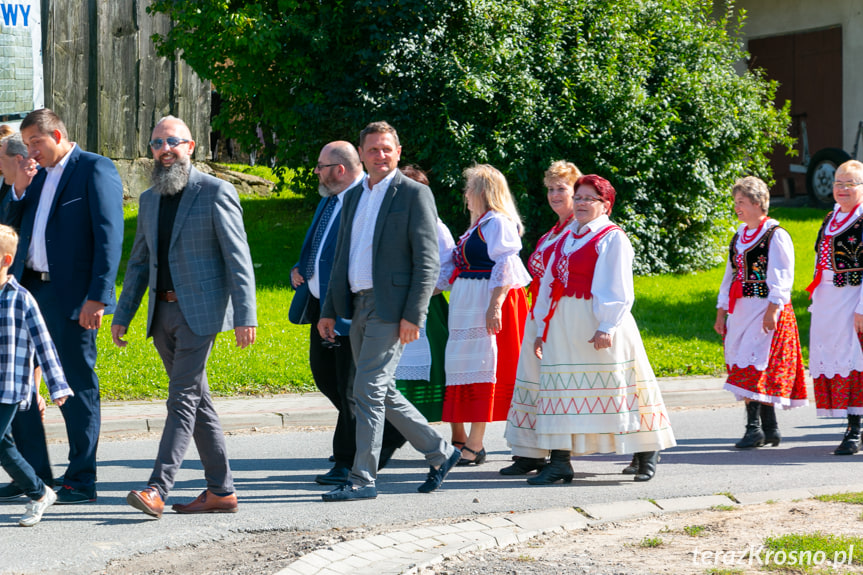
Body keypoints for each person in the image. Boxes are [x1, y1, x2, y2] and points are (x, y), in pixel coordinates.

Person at [112, 116, 257, 518]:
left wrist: (247, 314)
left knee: (181, 400)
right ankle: (221, 491)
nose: (164, 149)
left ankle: (158, 489)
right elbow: (139, 262)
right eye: (157, 142)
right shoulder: (149, 199)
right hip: (162, 315)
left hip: (201, 314)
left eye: (173, 141)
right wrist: (123, 314)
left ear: (191, 146)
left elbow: (238, 258)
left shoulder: (215, 192)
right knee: (198, 402)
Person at [318, 121, 461, 501]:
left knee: (366, 389)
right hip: (359, 304)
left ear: (398, 152)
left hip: (391, 307)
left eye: (387, 149)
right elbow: (340, 258)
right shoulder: (353, 197)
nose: (380, 155)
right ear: (361, 154)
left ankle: (362, 479)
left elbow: (428, 261)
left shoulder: (413, 195)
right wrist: (330, 309)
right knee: (380, 389)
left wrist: (415, 315)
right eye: (372, 149)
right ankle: (440, 451)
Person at [3, 108, 124, 504]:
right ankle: (32, 475)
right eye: (26, 145)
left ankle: (81, 478)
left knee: (74, 383)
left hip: (73, 297)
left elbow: (109, 235)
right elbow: (10, 226)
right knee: (17, 383)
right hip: (30, 289)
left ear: (56, 134)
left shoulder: (94, 169)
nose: (30, 152)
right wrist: (19, 188)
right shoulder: (35, 175)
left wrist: (99, 296)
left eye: (36, 142)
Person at [530, 174, 676, 484]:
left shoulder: (612, 237)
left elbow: (619, 286)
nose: (581, 203)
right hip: (563, 321)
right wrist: (542, 325)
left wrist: (607, 325)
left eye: (589, 199)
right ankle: (560, 462)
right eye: (578, 197)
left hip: (598, 322)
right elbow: (549, 282)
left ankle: (646, 452)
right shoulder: (568, 236)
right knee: (562, 390)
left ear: (605, 205)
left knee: (621, 388)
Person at [290, 141, 405, 486]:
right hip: (321, 309)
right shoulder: (330, 200)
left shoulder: (363, 201)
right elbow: (320, 245)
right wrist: (302, 267)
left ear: (339, 170)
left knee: (350, 386)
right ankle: (390, 431)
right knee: (327, 379)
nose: (317, 172)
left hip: (352, 311)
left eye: (321, 166)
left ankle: (347, 460)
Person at [441, 164, 530, 466]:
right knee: (464, 367)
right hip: (468, 304)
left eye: (469, 188)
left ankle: (475, 443)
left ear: (482, 191)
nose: (465, 194)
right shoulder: (478, 225)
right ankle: (465, 440)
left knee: (484, 366)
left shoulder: (498, 223)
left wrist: (495, 305)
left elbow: (506, 266)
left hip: (484, 301)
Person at [715, 176, 807, 449]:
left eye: (741, 202)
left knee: (757, 367)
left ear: (758, 203)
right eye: (736, 203)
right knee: (745, 365)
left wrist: (773, 310)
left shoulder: (775, 235)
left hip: (765, 308)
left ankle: (755, 428)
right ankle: (769, 428)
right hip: (742, 309)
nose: (737, 208)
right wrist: (721, 311)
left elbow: (782, 275)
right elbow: (729, 277)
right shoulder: (739, 237)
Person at [503, 160, 581, 475]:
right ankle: (530, 451)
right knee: (533, 382)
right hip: (541, 311)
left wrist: (751, 307)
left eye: (561, 188)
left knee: (554, 384)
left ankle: (752, 422)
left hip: (562, 316)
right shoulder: (554, 232)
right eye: (550, 189)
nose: (554, 195)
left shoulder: (581, 229)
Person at [0, 224, 72, 526]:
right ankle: (39, 491)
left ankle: (39, 492)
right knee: (3, 445)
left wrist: (57, 386)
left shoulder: (22, 299)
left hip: (10, 387)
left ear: (5, 260)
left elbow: (44, 344)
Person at [0, 133, 55, 500]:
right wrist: (15, 190)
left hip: (32, 288)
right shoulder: (14, 187)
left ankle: (38, 483)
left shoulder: (42, 182)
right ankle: (29, 479)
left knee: (24, 390)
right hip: (7, 283)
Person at [806, 159, 863, 455]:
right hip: (829, 302)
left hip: (855, 299)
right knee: (839, 359)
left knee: (855, 360)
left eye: (850, 184)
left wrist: (862, 308)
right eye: (838, 183)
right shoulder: (831, 218)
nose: (842, 189)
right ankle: (852, 426)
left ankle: (855, 430)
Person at [393, 165, 454, 423]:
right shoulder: (389, 224)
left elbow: (449, 267)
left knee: (434, 365)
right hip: (393, 306)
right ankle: (393, 428)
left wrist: (420, 292)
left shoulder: (436, 226)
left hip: (428, 307)